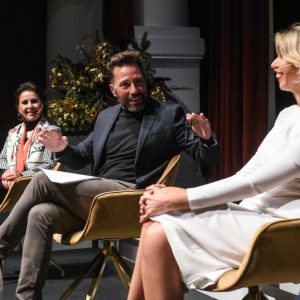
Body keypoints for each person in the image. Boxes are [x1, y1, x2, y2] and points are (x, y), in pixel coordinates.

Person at [0, 50, 219, 299]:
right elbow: (81, 155)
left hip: (130, 196)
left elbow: (207, 157)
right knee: (40, 214)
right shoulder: (106, 117)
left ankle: (0, 246)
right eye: (125, 84)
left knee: (41, 179)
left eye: (138, 81)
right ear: (113, 89)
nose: (134, 89)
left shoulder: (169, 114)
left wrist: (207, 139)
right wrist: (61, 149)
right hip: (98, 198)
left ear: (145, 81)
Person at [127, 23, 300, 300]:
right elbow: (250, 172)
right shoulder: (288, 115)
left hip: (280, 231)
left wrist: (180, 198)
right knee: (153, 224)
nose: (273, 63)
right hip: (255, 219)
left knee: (159, 232)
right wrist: (173, 199)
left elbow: (253, 184)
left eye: (281, 55)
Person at [0, 82, 61, 199]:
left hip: (38, 191)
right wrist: (5, 173)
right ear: (18, 108)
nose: (30, 106)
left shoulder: (52, 131)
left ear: (42, 104)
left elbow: (50, 164)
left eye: (34, 101)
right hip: (11, 190)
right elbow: (2, 158)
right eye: (24, 102)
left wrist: (20, 176)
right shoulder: (12, 132)